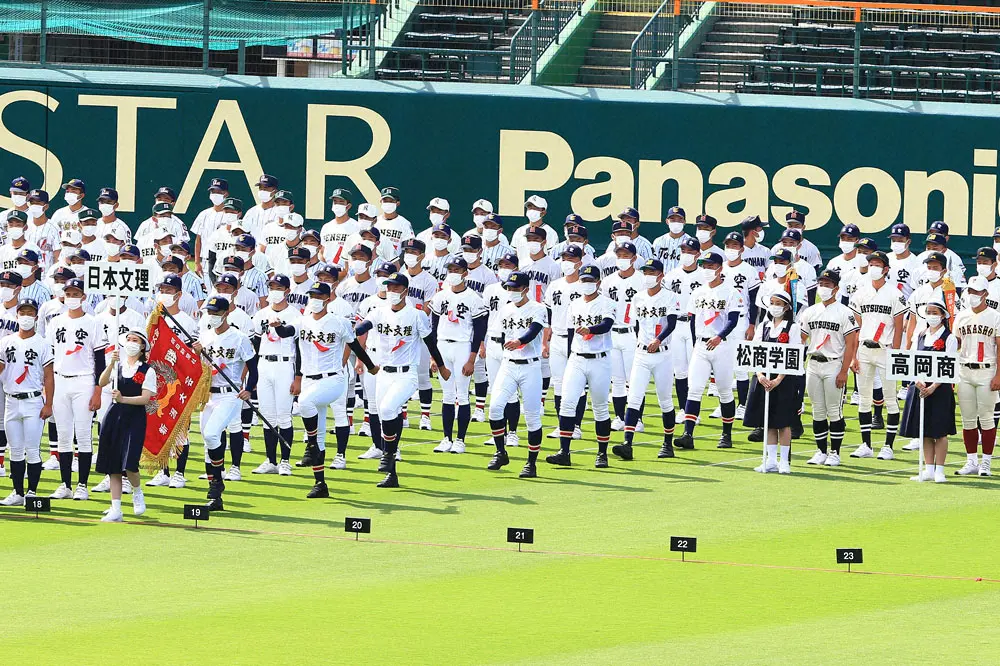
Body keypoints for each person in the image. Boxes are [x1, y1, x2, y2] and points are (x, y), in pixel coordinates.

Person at [354, 271, 450, 488]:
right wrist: (353, 329)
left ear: (405, 290)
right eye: (389, 288)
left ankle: (388, 454)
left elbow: (430, 342)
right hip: (384, 373)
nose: (392, 292)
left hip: (407, 374)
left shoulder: (416, 315)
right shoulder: (379, 312)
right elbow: (363, 327)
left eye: (396, 288)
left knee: (388, 409)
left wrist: (441, 366)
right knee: (384, 414)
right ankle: (392, 473)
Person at [296, 282, 377, 498]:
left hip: (333, 379)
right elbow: (290, 337)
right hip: (309, 379)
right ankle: (320, 483)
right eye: (311, 295)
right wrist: (277, 328)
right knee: (320, 436)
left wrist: (370, 366)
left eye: (319, 295)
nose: (314, 299)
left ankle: (310, 443)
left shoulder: (338, 322)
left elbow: (356, 346)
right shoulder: (302, 320)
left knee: (304, 403)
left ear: (328, 298)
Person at [194, 296, 258, 510]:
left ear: (226, 313)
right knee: (207, 442)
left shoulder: (239, 338)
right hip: (208, 395)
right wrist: (196, 353)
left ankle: (217, 483)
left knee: (213, 434)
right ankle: (214, 496)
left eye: (216, 312)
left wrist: (248, 389)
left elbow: (253, 366)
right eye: (209, 312)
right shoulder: (204, 337)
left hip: (230, 394)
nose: (212, 316)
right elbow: (198, 368)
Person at [611, 258, 679, 461]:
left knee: (665, 400)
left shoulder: (670, 296)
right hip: (641, 353)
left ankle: (667, 443)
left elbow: (672, 324)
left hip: (663, 354)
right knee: (634, 397)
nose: (649, 276)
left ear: (661, 275)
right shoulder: (638, 298)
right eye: (646, 272)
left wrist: (658, 340)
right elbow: (637, 325)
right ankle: (627, 443)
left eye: (652, 272)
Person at [675, 252, 743, 450]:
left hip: (722, 346)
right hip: (702, 345)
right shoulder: (698, 292)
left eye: (711, 266)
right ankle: (687, 433)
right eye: (704, 266)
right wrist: (697, 341)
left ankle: (726, 434)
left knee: (724, 390)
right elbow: (692, 318)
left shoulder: (730, 292)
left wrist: (719, 336)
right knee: (694, 389)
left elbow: (733, 320)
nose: (707, 270)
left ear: (720, 269)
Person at [549, 264, 615, 468]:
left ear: (599, 282)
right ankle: (564, 452)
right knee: (567, 403)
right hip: (577, 358)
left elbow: (607, 324)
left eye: (591, 280)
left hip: (599, 359)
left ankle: (602, 454)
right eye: (584, 280)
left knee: (600, 407)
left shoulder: (606, 302)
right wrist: (570, 356)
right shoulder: (574, 304)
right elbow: (571, 333)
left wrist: (591, 329)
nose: (587, 284)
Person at [47, 277, 107, 500]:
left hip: (84, 379)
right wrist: (49, 388)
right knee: (63, 435)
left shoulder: (92, 322)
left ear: (83, 297)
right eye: (68, 294)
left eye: (75, 294)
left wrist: (98, 389)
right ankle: (65, 485)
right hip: (60, 379)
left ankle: (82, 484)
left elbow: (100, 358)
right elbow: (50, 357)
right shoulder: (55, 322)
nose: (71, 298)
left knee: (83, 434)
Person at [486, 271, 548, 478]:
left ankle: (531, 463)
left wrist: (520, 342)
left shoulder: (538, 308)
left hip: (530, 366)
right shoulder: (505, 310)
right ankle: (500, 452)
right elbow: (500, 335)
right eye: (509, 288)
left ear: (525, 289)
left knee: (531, 416)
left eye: (515, 288)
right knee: (495, 408)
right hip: (508, 364)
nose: (511, 291)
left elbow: (534, 330)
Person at [848, 250, 906, 461]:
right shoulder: (860, 293)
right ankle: (866, 444)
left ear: (886, 269)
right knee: (864, 399)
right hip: (864, 348)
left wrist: (896, 354)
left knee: (891, 399)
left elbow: (899, 328)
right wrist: (853, 355)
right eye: (871, 263)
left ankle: (888, 446)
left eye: (878, 264)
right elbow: (856, 327)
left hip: (886, 349)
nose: (873, 267)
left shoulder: (895, 294)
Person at [95, 331, 157, 522]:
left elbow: (146, 398)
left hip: (135, 418)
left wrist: (124, 398)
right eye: (128, 340)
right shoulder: (118, 366)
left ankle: (137, 492)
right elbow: (101, 382)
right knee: (113, 464)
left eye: (135, 340)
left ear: (142, 347)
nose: (131, 343)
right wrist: (111, 363)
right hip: (115, 416)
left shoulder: (148, 370)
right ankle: (116, 508)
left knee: (129, 463)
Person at [428, 257, 488, 454]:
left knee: (462, 394)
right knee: (446, 395)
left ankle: (460, 439)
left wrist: (472, 358)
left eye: (457, 269)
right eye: (450, 269)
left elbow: (479, 330)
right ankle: (446, 438)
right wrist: (433, 357)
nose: (453, 272)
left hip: (463, 346)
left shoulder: (473, 298)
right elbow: (434, 328)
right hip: (443, 346)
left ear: (465, 273)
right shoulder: (440, 296)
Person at [800, 270, 858, 467]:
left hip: (834, 363)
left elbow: (851, 343)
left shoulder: (845, 312)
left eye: (828, 284)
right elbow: (801, 339)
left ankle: (835, 452)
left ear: (836, 288)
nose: (823, 287)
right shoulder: (810, 311)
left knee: (834, 410)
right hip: (813, 363)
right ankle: (820, 450)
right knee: (817, 410)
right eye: (821, 283)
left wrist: (844, 371)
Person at [0, 299, 53, 506]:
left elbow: (49, 376)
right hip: (12, 400)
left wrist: (48, 404)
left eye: (30, 313)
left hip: (32, 400)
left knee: (32, 449)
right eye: (22, 312)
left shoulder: (42, 343)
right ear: (17, 315)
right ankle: (18, 491)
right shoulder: (7, 341)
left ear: (36, 316)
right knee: (15, 449)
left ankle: (31, 491)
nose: (26, 317)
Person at [898, 299, 957, 483]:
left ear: (942, 315)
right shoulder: (921, 335)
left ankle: (940, 469)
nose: (931, 316)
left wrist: (933, 386)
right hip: (921, 387)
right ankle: (928, 468)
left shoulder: (949, 338)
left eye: (935, 312)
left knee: (940, 431)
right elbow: (913, 360)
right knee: (924, 430)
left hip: (940, 389)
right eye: (928, 312)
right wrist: (918, 381)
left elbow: (950, 365)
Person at [744, 291, 802, 474]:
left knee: (783, 422)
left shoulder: (792, 327)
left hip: (784, 380)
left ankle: (784, 461)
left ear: (786, 307)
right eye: (772, 303)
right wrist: (760, 376)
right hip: (764, 379)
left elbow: (794, 355)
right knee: (768, 421)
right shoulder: (763, 326)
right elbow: (754, 351)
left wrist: (778, 379)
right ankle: (770, 459)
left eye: (778, 303)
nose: (774, 306)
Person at [251, 274, 300, 477]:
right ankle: (271, 460)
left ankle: (285, 460)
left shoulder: (295, 315)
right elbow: (254, 346)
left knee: (284, 416)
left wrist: (298, 377)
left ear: (287, 291)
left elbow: (298, 346)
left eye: (279, 287)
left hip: (284, 364)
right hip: (264, 364)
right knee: (267, 416)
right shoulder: (260, 314)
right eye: (271, 287)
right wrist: (252, 375)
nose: (274, 291)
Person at [951, 276, 1000, 478]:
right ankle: (971, 460)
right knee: (968, 420)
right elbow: (955, 346)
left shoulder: (995, 316)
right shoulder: (961, 317)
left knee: (987, 419)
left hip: (987, 369)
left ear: (985, 294)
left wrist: (998, 374)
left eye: (977, 292)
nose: (973, 296)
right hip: (964, 369)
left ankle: (986, 462)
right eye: (971, 291)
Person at [543, 245, 585, 441]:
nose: (567, 262)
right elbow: (548, 316)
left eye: (571, 258)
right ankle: (562, 424)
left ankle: (576, 425)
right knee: (558, 384)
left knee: (577, 384)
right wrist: (545, 342)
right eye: (564, 258)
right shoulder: (555, 285)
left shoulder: (585, 285)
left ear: (580, 262)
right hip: (557, 338)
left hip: (577, 338)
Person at [603, 241, 643, 430]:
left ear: (634, 258)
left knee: (633, 378)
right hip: (613, 333)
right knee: (617, 380)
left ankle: (637, 419)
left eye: (626, 255)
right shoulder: (608, 280)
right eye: (619, 255)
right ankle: (620, 417)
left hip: (632, 333)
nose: (622, 259)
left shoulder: (642, 280)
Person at [664, 237, 701, 424]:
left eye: (690, 252)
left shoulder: (703, 275)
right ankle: (682, 408)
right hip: (677, 324)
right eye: (684, 251)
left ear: (698, 255)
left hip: (696, 324)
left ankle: (695, 410)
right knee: (679, 370)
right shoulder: (671, 275)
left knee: (695, 369)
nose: (686, 255)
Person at [510, 195, 558, 262]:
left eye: (535, 207)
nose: (532, 210)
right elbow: (513, 254)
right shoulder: (519, 231)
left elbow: (553, 257)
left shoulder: (550, 233)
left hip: (542, 270)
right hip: (521, 270)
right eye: (530, 207)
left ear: (543, 212)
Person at [319, 188, 359, 266]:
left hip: (347, 271)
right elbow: (321, 251)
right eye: (335, 202)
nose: (337, 205)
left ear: (348, 206)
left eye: (341, 202)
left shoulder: (356, 226)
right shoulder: (326, 227)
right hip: (327, 272)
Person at [375, 186, 414, 256]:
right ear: (381, 201)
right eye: (385, 201)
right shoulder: (375, 222)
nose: (388, 203)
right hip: (377, 264)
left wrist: (397, 265)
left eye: (391, 201)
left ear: (397, 203)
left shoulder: (405, 223)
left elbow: (408, 248)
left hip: (397, 263)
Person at [652, 206, 692, 272]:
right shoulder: (658, 241)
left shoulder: (690, 242)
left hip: (682, 280)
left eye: (680, 219)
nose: (676, 222)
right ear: (667, 221)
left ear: (684, 222)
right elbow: (654, 264)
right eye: (672, 219)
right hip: (662, 280)